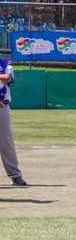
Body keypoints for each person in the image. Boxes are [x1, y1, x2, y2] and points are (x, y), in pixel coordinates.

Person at [0, 55, 27, 186]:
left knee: (6, 142)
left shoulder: (5, 63)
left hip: (2, 107)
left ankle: (15, 175)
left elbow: (7, 78)